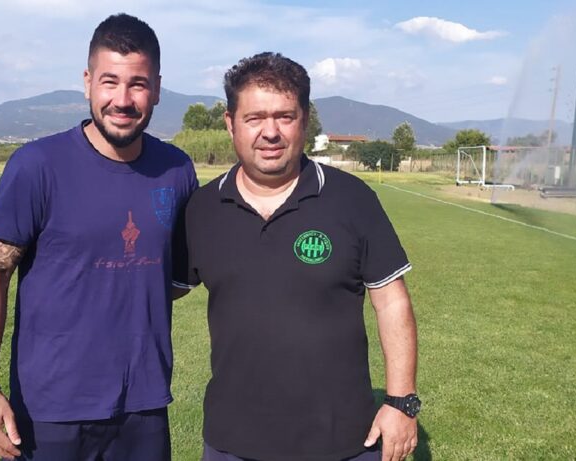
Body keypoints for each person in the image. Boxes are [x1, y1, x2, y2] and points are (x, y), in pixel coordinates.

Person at [0, 13, 197, 461]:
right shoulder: (38, 165)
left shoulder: (177, 170)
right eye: (110, 82)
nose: (123, 100)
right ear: (88, 82)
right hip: (50, 407)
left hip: (144, 403)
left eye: (138, 84)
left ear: (157, 88)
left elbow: (176, 274)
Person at [180, 52, 420, 461]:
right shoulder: (202, 208)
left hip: (344, 441)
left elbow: (391, 301)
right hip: (232, 441)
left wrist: (401, 402)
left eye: (284, 117)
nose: (270, 132)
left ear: (304, 121)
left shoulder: (352, 199)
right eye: (255, 118)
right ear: (230, 123)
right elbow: (153, 292)